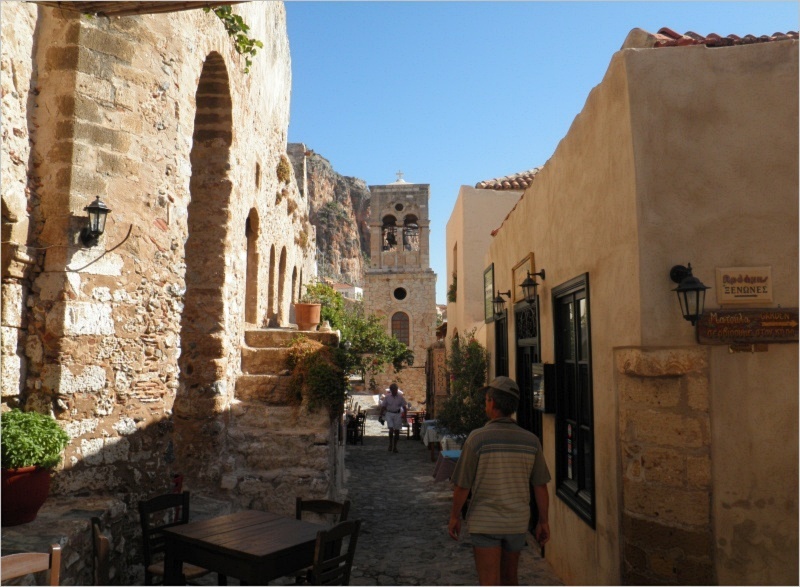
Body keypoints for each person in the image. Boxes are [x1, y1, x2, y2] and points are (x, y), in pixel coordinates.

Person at [447, 376, 551, 586]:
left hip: (485, 521)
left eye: (486, 399)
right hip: (516, 522)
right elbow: (540, 485)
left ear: (492, 402)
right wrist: (543, 521)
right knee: (510, 579)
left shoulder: (477, 439)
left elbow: (463, 485)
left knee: (489, 581)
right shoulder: (531, 441)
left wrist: (455, 516)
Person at [379, 383, 407, 453]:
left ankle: (395, 446)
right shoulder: (387, 397)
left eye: (396, 390)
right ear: (391, 390)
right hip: (389, 414)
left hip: (397, 414)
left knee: (397, 431)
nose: (395, 391)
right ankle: (390, 444)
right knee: (391, 429)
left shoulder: (400, 397)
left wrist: (405, 417)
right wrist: (380, 415)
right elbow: (383, 406)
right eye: (394, 390)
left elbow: (404, 407)